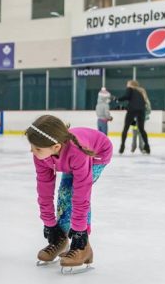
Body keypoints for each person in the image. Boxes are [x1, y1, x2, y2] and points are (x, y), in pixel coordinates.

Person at [26, 115, 112, 272]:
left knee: (72, 194)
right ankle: (60, 238)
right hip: (70, 159)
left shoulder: (77, 152)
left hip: (96, 154)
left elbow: (82, 194)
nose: (32, 151)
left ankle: (83, 247)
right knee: (64, 195)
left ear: (56, 147)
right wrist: (49, 224)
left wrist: (80, 230)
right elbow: (44, 189)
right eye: (32, 146)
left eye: (37, 148)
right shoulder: (41, 155)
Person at [117, 80, 151, 154]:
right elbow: (142, 103)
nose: (127, 85)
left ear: (131, 84)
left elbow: (126, 96)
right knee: (141, 129)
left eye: (127, 84)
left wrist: (117, 99)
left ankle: (122, 146)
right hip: (141, 111)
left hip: (132, 110)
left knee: (126, 128)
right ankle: (147, 147)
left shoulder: (130, 89)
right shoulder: (141, 92)